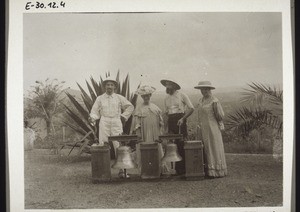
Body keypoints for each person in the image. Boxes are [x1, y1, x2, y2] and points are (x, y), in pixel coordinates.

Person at [88, 76, 134, 178]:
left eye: (111, 85)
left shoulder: (119, 98)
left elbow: (130, 106)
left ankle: (122, 171)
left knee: (118, 146)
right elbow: (95, 112)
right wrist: (92, 118)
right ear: (104, 86)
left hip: (116, 121)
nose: (109, 86)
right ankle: (102, 171)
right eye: (107, 84)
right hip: (104, 121)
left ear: (115, 87)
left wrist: (123, 116)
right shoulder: (99, 98)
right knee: (102, 145)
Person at [130, 85, 168, 174]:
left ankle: (159, 168)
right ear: (142, 97)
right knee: (144, 147)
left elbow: (160, 122)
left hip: (154, 131)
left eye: (147, 95)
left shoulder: (155, 107)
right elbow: (136, 124)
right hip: (144, 132)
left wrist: (160, 133)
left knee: (156, 146)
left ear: (150, 95)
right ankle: (145, 169)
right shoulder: (139, 108)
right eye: (144, 96)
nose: (146, 97)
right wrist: (138, 134)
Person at [161, 79, 194, 175]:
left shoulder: (182, 95)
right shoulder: (166, 98)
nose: (167, 87)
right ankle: (175, 170)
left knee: (181, 143)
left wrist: (183, 119)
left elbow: (192, 108)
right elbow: (166, 113)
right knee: (172, 146)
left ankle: (183, 169)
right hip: (171, 121)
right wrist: (165, 127)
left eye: (169, 85)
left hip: (180, 120)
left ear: (174, 86)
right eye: (166, 85)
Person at [194, 81, 227, 178]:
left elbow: (220, 116)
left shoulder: (214, 101)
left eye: (205, 89)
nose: (203, 91)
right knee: (204, 147)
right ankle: (206, 170)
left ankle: (215, 171)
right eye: (202, 89)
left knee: (213, 146)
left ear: (209, 89)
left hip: (212, 128)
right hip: (202, 128)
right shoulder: (200, 101)